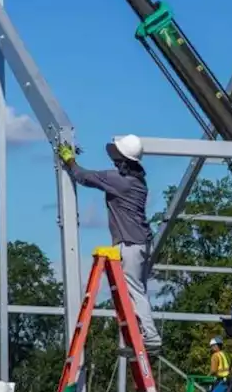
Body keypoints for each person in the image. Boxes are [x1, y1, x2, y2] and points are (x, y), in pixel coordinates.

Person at [57, 135, 161, 355]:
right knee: (132, 291)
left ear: (123, 161)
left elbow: (83, 177)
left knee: (134, 291)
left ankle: (150, 336)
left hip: (130, 242)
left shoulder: (120, 182)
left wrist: (70, 161)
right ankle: (138, 338)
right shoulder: (136, 181)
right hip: (138, 242)